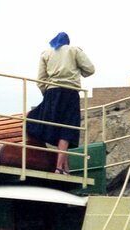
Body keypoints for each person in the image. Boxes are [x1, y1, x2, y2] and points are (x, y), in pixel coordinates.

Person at [26, 32, 95, 174]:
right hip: (70, 93)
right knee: (66, 130)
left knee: (39, 121)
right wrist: (78, 69)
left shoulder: (46, 53)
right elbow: (90, 69)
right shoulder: (74, 50)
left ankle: (65, 167)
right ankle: (59, 167)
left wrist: (48, 94)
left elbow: (40, 79)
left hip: (52, 94)